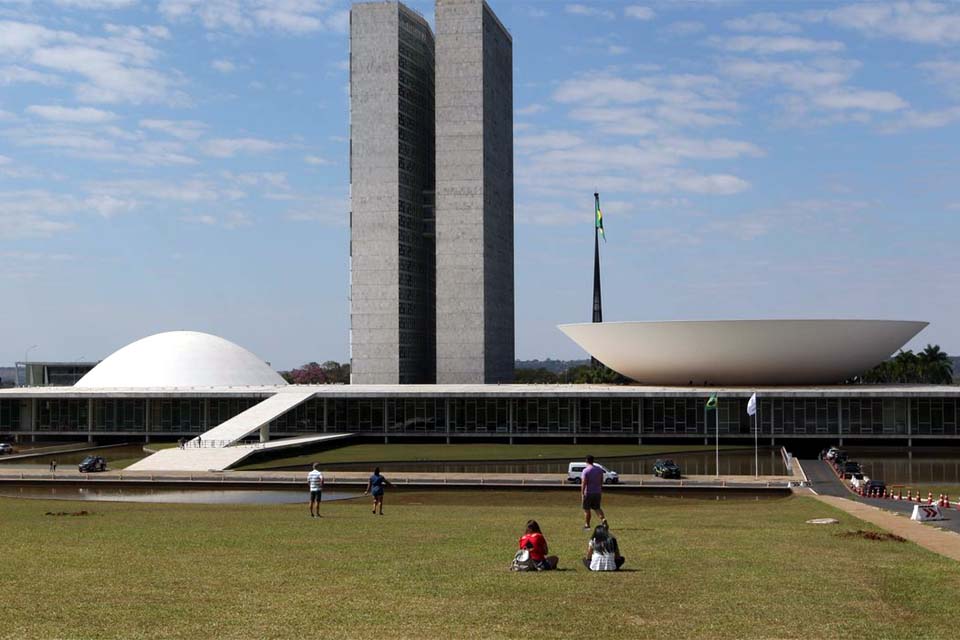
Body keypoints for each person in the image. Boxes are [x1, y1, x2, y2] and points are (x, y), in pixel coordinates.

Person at [580, 454, 606, 529]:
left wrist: (582, 493)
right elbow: (601, 481)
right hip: (597, 492)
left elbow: (584, 483)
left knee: (587, 509)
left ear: (586, 461)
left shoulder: (586, 470)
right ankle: (603, 520)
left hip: (588, 492)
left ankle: (587, 525)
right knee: (597, 508)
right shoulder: (599, 470)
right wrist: (599, 489)